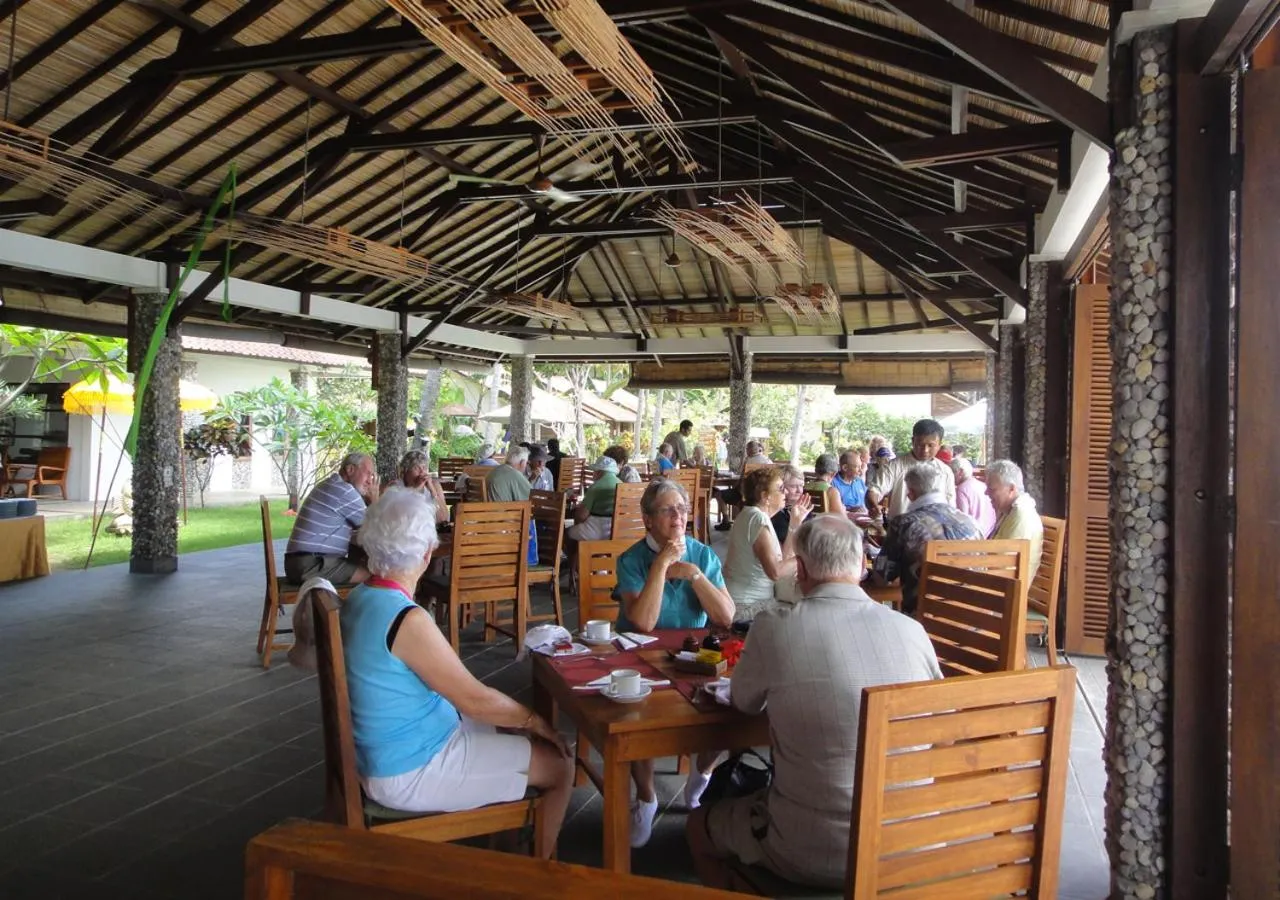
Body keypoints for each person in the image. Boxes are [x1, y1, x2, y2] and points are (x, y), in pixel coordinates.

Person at [687, 515, 943, 890]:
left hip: (811, 850)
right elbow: (938, 722)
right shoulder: (912, 631)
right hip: (910, 842)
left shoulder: (776, 627)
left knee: (697, 827)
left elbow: (743, 702)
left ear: (800, 570)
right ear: (860, 565)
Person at [338, 488, 573, 858]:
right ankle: (539, 877)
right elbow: (473, 699)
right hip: (412, 768)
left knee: (509, 727)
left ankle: (509, 842)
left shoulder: (361, 598)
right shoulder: (406, 619)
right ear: (428, 553)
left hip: (391, 752)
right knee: (560, 767)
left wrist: (516, 721)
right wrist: (535, 720)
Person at [614, 479, 734, 846]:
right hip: (640, 654)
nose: (678, 516)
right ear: (648, 519)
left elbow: (726, 615)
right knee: (638, 721)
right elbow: (644, 622)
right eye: (667, 510)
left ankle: (701, 778)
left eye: (681, 509)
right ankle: (647, 798)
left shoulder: (702, 555)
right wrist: (662, 566)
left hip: (691, 656)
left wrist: (696, 576)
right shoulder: (632, 559)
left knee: (728, 709)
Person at [877, 464, 982, 614]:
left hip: (927, 620)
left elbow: (881, 577)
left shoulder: (904, 524)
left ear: (911, 494)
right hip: (975, 618)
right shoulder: (970, 522)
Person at [724, 467, 813, 621]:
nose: (785, 493)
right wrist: (806, 558)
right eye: (780, 489)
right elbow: (775, 572)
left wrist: (794, 523)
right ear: (765, 497)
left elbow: (782, 561)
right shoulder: (757, 518)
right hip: (746, 608)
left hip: (743, 602)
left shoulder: (751, 514)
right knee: (804, 614)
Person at [284, 452, 377, 585]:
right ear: (350, 470)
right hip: (310, 565)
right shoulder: (345, 491)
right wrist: (375, 500)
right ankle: (342, 605)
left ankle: (338, 605)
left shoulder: (332, 484)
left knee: (359, 561)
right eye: (368, 474)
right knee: (376, 577)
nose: (370, 481)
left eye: (372, 476)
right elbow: (377, 527)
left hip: (300, 563)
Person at [866, 419, 956, 518]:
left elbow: (950, 505)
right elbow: (874, 490)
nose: (925, 450)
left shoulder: (945, 472)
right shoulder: (894, 466)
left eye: (931, 445)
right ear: (913, 441)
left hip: (934, 531)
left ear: (939, 445)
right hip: (900, 529)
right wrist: (874, 506)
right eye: (920, 444)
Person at [985, 459, 1044, 572]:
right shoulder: (1009, 509)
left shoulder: (1021, 513)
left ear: (1011, 489)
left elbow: (1002, 564)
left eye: (992, 489)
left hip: (1007, 585)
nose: (986, 493)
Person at [567, 456, 620, 541]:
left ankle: (578, 554)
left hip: (598, 528)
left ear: (599, 472)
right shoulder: (622, 484)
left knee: (568, 533)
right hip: (618, 530)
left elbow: (581, 516)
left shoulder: (596, 486)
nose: (593, 474)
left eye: (594, 471)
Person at [393, 450, 448, 523]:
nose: (422, 472)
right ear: (405, 471)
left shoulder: (435, 486)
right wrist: (416, 489)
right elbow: (401, 519)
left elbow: (443, 518)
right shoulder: (396, 488)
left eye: (424, 468)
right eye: (416, 468)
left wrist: (432, 491)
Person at [952, 456, 997, 535]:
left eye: (952, 473)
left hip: (975, 537)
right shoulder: (982, 485)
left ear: (960, 472)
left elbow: (962, 520)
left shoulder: (961, 489)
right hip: (990, 532)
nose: (950, 477)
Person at [770, 464, 807, 544]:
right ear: (779, 487)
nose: (800, 491)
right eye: (793, 486)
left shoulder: (801, 508)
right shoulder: (775, 514)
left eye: (801, 485)